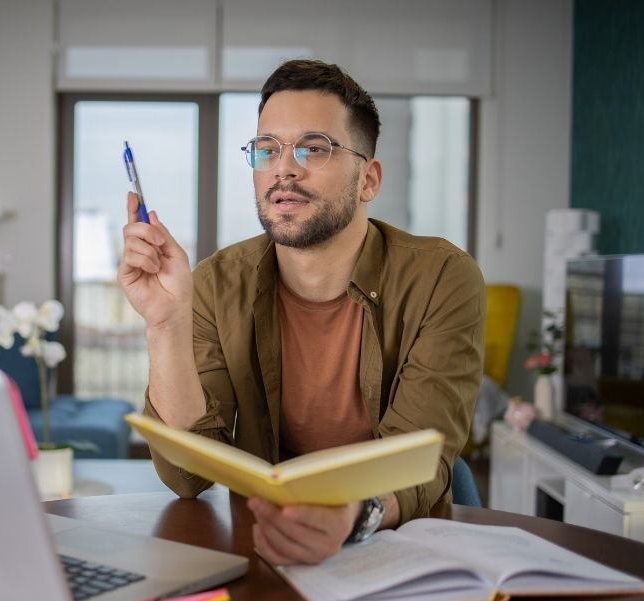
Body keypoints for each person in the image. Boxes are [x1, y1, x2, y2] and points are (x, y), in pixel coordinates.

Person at [117, 59, 485, 565]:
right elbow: (187, 475)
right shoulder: (215, 283)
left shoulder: (442, 277)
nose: (284, 168)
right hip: (267, 544)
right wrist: (165, 325)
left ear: (368, 180)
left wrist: (350, 517)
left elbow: (422, 457)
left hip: (397, 546)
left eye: (315, 147)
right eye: (267, 149)